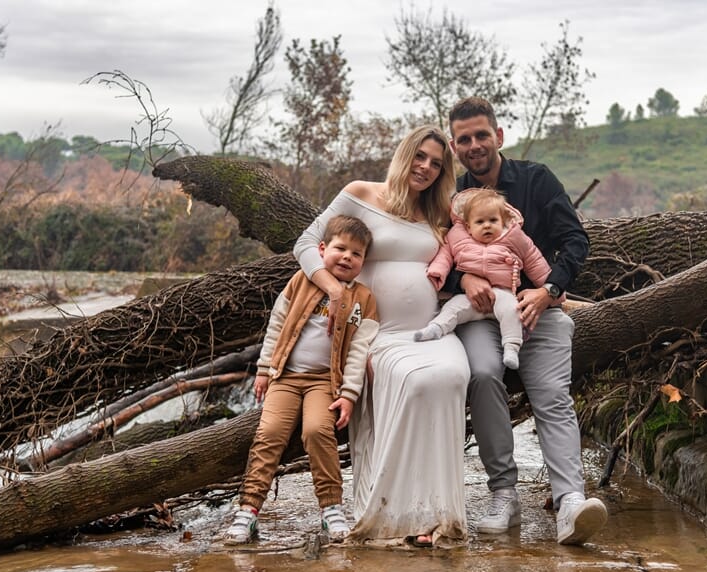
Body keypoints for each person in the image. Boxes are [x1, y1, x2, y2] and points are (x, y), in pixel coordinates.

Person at [293, 125, 470, 548]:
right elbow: (306, 243)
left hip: (431, 331)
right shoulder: (361, 194)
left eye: (437, 164)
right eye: (420, 157)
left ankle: (437, 512)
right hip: (378, 334)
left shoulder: (440, 213)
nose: (426, 168)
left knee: (452, 377)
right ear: (404, 154)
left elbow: (475, 252)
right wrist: (334, 289)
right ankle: (392, 508)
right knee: (416, 381)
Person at [447, 96, 608, 545]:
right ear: (455, 147)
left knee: (553, 395)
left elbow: (575, 239)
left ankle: (570, 502)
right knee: (481, 374)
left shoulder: (536, 180)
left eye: (482, 135)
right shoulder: (452, 197)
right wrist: (463, 280)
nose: (474, 144)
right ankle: (504, 494)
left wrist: (550, 290)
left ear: (498, 136)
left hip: (539, 309)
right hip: (481, 316)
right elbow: (438, 256)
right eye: (464, 139)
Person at [224, 215, 379, 545]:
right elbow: (277, 324)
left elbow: (359, 351)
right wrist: (265, 369)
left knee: (317, 431)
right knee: (268, 434)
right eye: (340, 248)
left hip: (325, 382)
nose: (347, 257)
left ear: (364, 262)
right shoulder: (301, 281)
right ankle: (248, 510)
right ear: (322, 249)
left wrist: (349, 394)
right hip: (286, 378)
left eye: (357, 253)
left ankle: (330, 509)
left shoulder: (364, 299)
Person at [414, 187, 553, 371]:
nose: (487, 225)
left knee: (513, 311)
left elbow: (535, 261)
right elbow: (444, 255)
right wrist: (437, 272)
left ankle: (511, 348)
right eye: (480, 222)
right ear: (468, 226)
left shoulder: (515, 237)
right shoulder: (457, 236)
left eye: (493, 220)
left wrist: (551, 289)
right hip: (470, 297)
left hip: (502, 293)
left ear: (503, 221)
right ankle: (435, 329)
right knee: (453, 308)